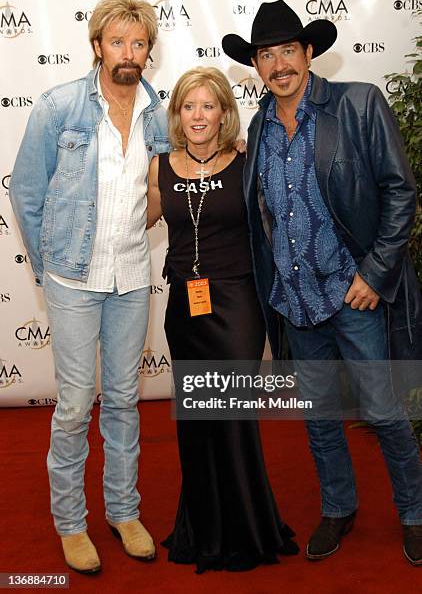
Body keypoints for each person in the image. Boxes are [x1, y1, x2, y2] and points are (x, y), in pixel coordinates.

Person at [222, 0, 422, 566]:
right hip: (295, 303)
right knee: (320, 417)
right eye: (266, 55)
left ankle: (415, 513)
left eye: (289, 50)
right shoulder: (258, 128)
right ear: (255, 66)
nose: (278, 63)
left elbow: (399, 191)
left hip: (352, 294)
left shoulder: (357, 104)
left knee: (383, 410)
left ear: (309, 53)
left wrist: (375, 273)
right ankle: (339, 508)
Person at [9, 0, 170, 574]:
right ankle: (71, 524)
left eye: (138, 42)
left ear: (148, 51)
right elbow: (26, 191)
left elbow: (166, 183)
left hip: (132, 275)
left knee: (124, 401)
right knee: (76, 405)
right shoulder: (59, 106)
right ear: (97, 45)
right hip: (73, 279)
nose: (128, 53)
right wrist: (51, 263)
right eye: (117, 41)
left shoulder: (158, 111)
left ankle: (124, 511)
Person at [147, 66, 299, 573]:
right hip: (184, 310)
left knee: (232, 414)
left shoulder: (245, 161)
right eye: (188, 106)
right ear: (176, 114)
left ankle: (248, 529)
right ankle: (203, 528)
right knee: (196, 421)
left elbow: (282, 214)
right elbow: (129, 220)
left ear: (223, 113)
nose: (198, 115)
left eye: (208, 105)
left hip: (236, 303)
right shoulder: (158, 168)